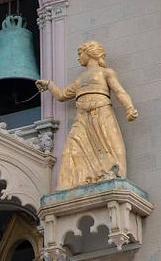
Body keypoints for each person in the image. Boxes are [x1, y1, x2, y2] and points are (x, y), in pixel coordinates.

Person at [36, 41, 138, 187]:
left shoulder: (106, 72)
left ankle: (110, 175)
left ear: (90, 53)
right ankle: (73, 182)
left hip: (101, 113)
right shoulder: (80, 80)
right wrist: (49, 85)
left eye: (80, 53)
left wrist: (130, 108)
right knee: (71, 149)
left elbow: (119, 92)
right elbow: (62, 94)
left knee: (108, 144)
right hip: (82, 116)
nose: (78, 58)